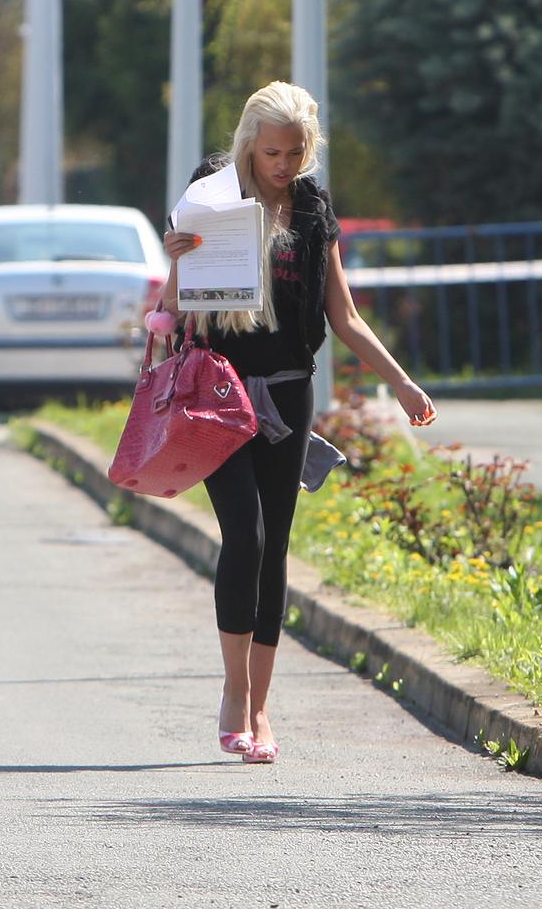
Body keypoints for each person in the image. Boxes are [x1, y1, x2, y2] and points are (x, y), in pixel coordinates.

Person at [162, 81, 437, 764]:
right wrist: (173, 267)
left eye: (294, 151)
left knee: (276, 548)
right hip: (217, 394)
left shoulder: (312, 207)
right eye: (272, 151)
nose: (283, 163)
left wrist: (399, 382)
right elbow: (176, 309)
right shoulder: (213, 191)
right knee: (245, 538)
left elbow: (341, 315)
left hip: (288, 393)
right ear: (248, 144)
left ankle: (260, 706)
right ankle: (232, 694)